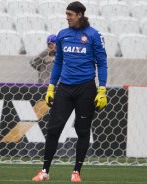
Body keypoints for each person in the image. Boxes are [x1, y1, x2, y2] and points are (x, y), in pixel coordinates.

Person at [32, 1, 107, 182]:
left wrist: (102, 89)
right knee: (53, 129)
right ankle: (44, 171)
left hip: (86, 89)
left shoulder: (94, 35)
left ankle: (76, 172)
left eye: (70, 15)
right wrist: (51, 86)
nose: (67, 18)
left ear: (79, 15)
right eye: (66, 14)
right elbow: (58, 62)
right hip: (64, 88)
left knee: (82, 131)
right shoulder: (62, 35)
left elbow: (102, 63)